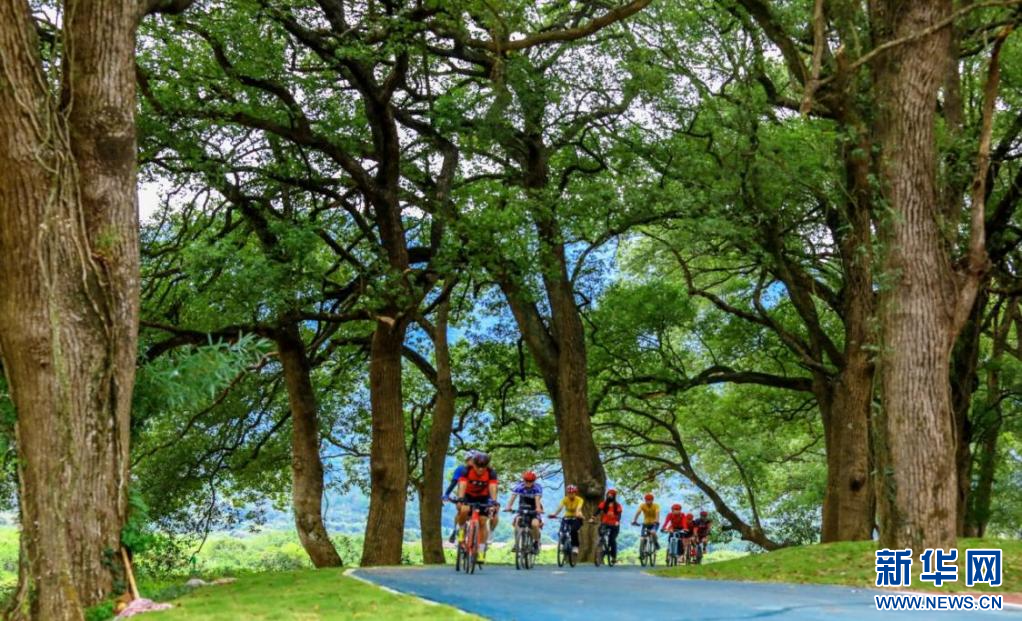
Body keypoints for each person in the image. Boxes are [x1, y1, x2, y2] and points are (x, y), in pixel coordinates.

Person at [455, 452, 498, 562]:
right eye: (478, 466)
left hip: (483, 497)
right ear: (473, 464)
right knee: (464, 510)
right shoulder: (466, 471)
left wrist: (493, 502)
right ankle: (461, 531)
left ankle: (481, 551)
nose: (480, 469)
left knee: (483, 521)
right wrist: (460, 498)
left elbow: (493, 487)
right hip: (468, 496)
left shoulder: (491, 473)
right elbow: (462, 485)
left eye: (483, 466)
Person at [505, 470, 544, 553]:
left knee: (535, 524)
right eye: (526, 481)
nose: (528, 483)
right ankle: (516, 543)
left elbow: (537, 500)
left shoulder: (537, 488)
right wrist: (509, 507)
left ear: (534, 481)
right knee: (517, 522)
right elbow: (513, 497)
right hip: (522, 507)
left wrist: (538, 508)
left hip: (534, 508)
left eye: (531, 481)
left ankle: (536, 542)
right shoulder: (519, 487)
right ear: (524, 480)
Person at [445, 451, 476, 543]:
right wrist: (446, 494)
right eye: (472, 460)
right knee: (461, 511)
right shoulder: (461, 469)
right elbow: (454, 482)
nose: (474, 462)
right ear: (467, 460)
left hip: (477, 496)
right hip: (463, 494)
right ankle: (457, 531)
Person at [548, 484, 584, 556]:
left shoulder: (579, 500)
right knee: (561, 532)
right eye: (569, 493)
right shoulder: (565, 499)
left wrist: (577, 514)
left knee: (573, 531)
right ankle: (564, 544)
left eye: (572, 493)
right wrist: (554, 514)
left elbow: (578, 508)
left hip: (577, 517)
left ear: (575, 493)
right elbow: (560, 507)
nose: (570, 495)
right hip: (567, 517)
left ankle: (575, 547)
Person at [590, 488, 623, 565]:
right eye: (608, 494)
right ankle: (602, 545)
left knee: (612, 540)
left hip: (614, 525)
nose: (610, 496)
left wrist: (617, 521)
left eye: (611, 495)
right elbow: (597, 511)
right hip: (605, 523)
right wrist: (592, 518)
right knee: (601, 533)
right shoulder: (603, 504)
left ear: (614, 496)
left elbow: (619, 514)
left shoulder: (617, 505)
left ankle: (613, 557)